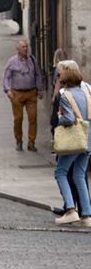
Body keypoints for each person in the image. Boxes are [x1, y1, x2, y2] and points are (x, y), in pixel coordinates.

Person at [52, 60, 91, 227]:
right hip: (88, 138)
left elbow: (67, 119)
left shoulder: (65, 95)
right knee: (79, 175)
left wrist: (59, 118)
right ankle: (87, 215)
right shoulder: (87, 91)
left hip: (74, 140)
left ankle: (70, 209)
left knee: (60, 172)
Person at [3, 39, 45, 151]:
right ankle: (19, 141)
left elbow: (38, 75)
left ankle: (31, 142)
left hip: (31, 93)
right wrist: (8, 90)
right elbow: (6, 77)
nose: (26, 49)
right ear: (18, 49)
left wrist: (40, 89)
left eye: (26, 46)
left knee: (33, 117)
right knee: (18, 119)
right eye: (23, 47)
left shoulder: (32, 60)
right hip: (17, 93)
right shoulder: (11, 61)